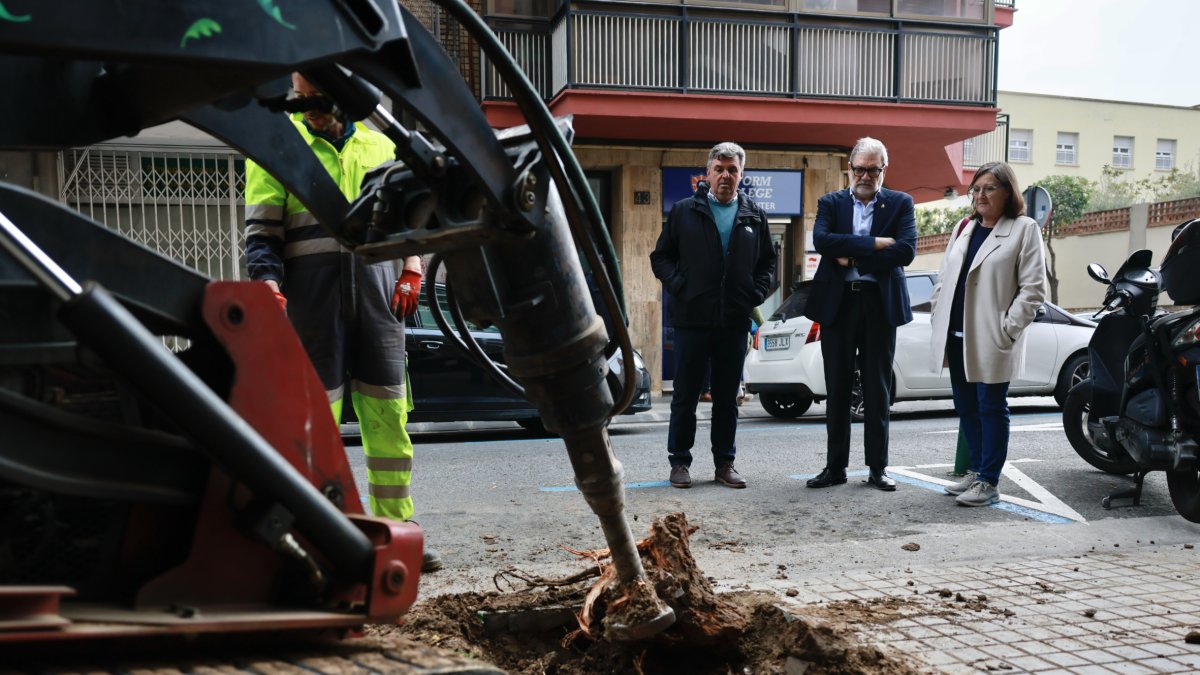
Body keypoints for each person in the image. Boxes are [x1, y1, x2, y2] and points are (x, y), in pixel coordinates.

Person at [244, 73, 442, 571]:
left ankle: (399, 536)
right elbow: (262, 234)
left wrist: (413, 269)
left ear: (341, 97)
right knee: (314, 431)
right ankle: (320, 541)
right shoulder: (278, 149)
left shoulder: (381, 146)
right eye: (299, 96)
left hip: (379, 305)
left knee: (389, 427)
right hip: (312, 307)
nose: (305, 107)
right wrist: (268, 284)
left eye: (313, 97)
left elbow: (409, 221)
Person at [650, 142, 776, 489]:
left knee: (726, 399)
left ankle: (725, 464)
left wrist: (754, 293)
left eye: (732, 169)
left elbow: (768, 263)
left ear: (741, 175)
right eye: (719, 169)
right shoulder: (684, 211)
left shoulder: (754, 215)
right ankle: (680, 463)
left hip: (733, 321)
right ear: (707, 172)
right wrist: (680, 285)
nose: (725, 175)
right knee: (685, 397)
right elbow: (661, 257)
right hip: (692, 319)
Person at [929, 162, 1047, 507]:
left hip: (991, 335)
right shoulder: (964, 227)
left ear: (1008, 192)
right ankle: (977, 469)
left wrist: (1007, 329)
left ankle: (989, 481)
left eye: (989, 188)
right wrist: (938, 309)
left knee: (991, 406)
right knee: (966, 406)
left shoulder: (1023, 229)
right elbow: (945, 276)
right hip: (955, 332)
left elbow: (1033, 289)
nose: (981, 195)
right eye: (976, 188)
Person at [804, 137, 916, 492]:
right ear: (849, 169)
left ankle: (877, 469)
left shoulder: (900, 203)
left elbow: (906, 250)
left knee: (877, 390)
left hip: (878, 306)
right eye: (859, 168)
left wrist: (850, 254)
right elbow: (822, 241)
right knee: (836, 389)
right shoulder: (830, 202)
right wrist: (875, 244)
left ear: (885, 170)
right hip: (839, 306)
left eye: (873, 169)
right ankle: (834, 467)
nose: (865, 175)